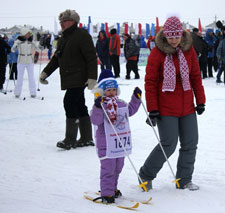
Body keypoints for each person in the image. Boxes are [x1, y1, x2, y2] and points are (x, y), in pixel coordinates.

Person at [138, 16, 206, 191]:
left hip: (187, 106)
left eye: (177, 37)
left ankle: (184, 180)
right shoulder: (157, 54)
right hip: (166, 107)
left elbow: (196, 77)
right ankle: (146, 174)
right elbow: (151, 82)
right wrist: (152, 109)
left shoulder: (189, 51)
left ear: (182, 35)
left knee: (190, 143)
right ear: (165, 35)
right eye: (171, 37)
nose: (174, 40)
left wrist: (200, 101)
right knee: (168, 144)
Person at [39, 9, 98, 149]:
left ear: (72, 21)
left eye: (64, 21)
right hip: (69, 77)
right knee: (79, 104)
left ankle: (70, 139)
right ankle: (86, 138)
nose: (61, 23)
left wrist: (92, 78)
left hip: (80, 77)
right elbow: (56, 58)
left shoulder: (82, 35)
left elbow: (91, 57)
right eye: (61, 21)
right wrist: (45, 73)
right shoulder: (64, 37)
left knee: (69, 102)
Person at [90, 69, 142, 203]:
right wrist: (98, 107)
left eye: (114, 89)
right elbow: (96, 120)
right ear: (102, 91)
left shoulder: (120, 103)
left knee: (118, 167)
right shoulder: (101, 105)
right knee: (109, 168)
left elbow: (129, 110)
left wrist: (136, 98)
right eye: (108, 90)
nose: (111, 92)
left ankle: (113, 188)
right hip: (106, 144)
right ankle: (107, 193)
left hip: (119, 144)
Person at [11, 28, 39, 98]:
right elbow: (13, 49)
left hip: (30, 60)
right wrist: (14, 48)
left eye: (29, 33)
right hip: (21, 61)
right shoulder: (18, 41)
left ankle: (33, 92)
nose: (29, 35)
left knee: (31, 77)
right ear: (24, 33)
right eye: (28, 33)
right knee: (20, 77)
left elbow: (37, 48)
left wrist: (39, 47)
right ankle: (17, 93)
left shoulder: (31, 41)